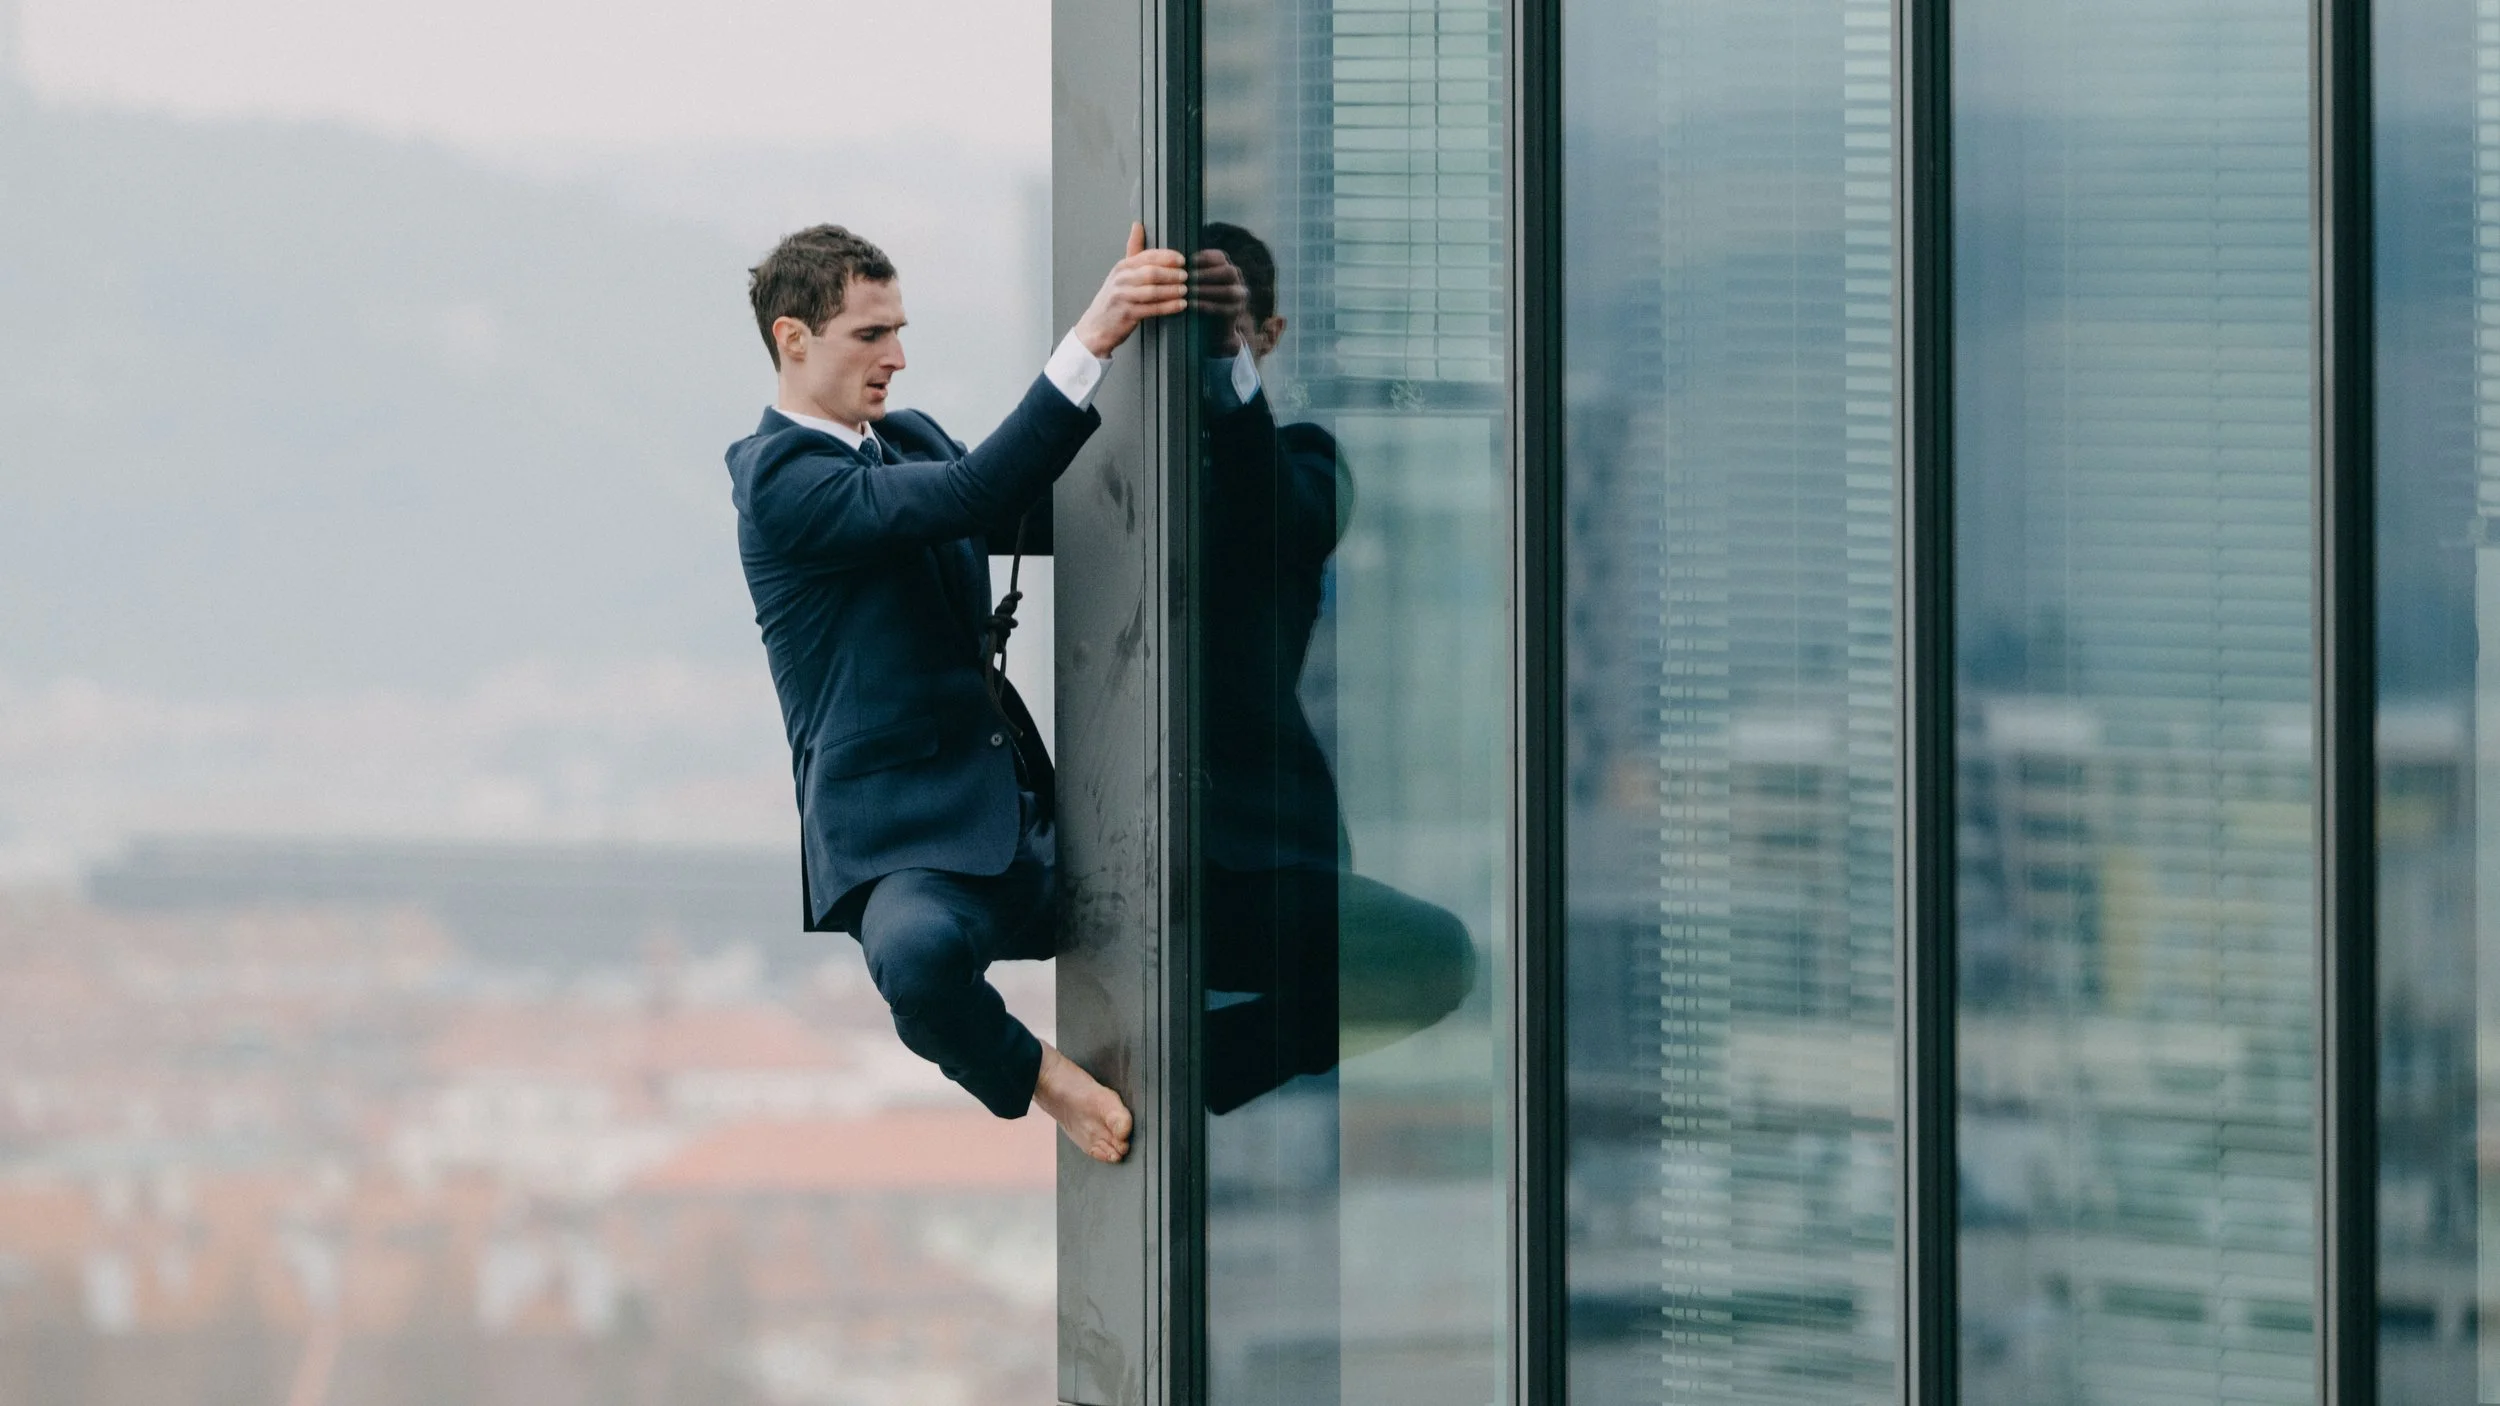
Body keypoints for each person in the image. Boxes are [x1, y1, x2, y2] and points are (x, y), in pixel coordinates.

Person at [723, 221, 1209, 1163]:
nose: (897, 359)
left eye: (900, 330)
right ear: (794, 339)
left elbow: (1027, 513)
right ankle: (1048, 1083)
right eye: (871, 336)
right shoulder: (779, 481)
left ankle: (1217, 1075)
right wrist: (1094, 337)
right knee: (914, 964)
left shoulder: (901, 440)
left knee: (1227, 891)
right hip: (907, 848)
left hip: (1017, 813)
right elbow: (982, 492)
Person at [1190, 221, 1475, 1115]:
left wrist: (1224, 379)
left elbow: (1287, 517)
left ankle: (1178, 1072)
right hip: (1117, 832)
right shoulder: (1090, 463)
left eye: (1234, 327)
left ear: (1267, 340)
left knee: (1436, 959)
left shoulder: (1306, 460)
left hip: (1255, 850)